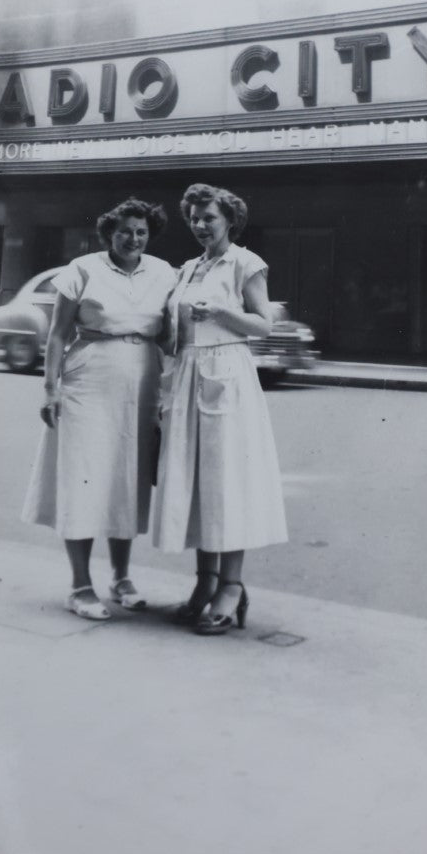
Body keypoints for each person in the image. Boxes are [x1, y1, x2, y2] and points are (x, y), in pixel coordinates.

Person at [22, 198, 178, 620]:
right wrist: (49, 389)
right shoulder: (82, 270)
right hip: (89, 379)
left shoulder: (165, 273)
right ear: (109, 232)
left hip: (143, 380)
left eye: (142, 232)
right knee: (85, 478)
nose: (133, 238)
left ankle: (121, 578)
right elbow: (56, 336)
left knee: (128, 477)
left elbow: (170, 334)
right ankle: (80, 585)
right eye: (125, 230)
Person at [151, 183, 288, 635]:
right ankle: (204, 583)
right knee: (197, 482)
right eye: (193, 218)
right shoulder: (189, 268)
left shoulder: (245, 264)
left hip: (226, 373)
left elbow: (264, 324)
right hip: (188, 375)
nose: (200, 225)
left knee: (226, 480)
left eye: (208, 217)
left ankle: (231, 586)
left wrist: (221, 314)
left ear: (230, 219)